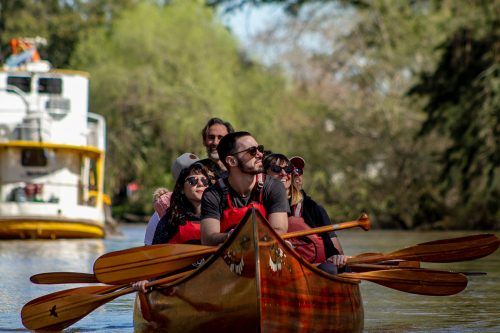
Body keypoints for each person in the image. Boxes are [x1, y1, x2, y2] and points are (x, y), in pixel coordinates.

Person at [133, 154, 210, 292]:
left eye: (204, 180)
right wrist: (146, 278)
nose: (200, 184)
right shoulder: (169, 220)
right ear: (180, 187)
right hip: (177, 286)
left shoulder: (217, 215)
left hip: (209, 282)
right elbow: (153, 257)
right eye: (193, 180)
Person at [200, 131, 289, 246]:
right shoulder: (212, 194)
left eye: (260, 149)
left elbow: (279, 230)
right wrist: (230, 236)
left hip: (267, 251)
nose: (260, 155)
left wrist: (247, 237)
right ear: (232, 161)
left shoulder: (275, 187)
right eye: (252, 151)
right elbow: (208, 238)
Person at [263, 153, 346, 274]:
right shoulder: (258, 204)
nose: (284, 173)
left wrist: (336, 257)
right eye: (276, 169)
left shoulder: (313, 208)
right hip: (275, 269)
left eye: (288, 169)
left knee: (330, 269)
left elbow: (333, 250)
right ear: (263, 174)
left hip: (313, 270)